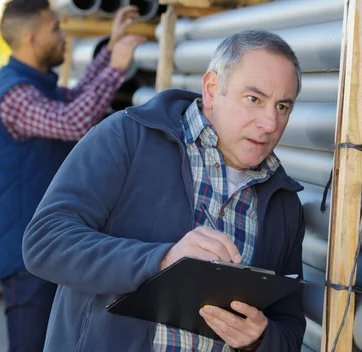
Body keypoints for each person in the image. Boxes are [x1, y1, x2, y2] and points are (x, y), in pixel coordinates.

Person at [22, 29, 306, 351]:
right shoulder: (128, 138)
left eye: (283, 107)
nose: (270, 123)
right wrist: (161, 260)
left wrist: (260, 338)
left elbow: (290, 329)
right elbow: (44, 241)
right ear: (213, 89)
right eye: (254, 99)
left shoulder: (284, 204)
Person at [0, 0, 144, 352]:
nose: (63, 34)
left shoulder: (34, 85)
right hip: (22, 255)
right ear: (31, 39)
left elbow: (79, 97)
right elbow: (74, 122)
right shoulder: (16, 95)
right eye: (55, 27)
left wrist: (110, 49)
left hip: (38, 245)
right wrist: (116, 67)